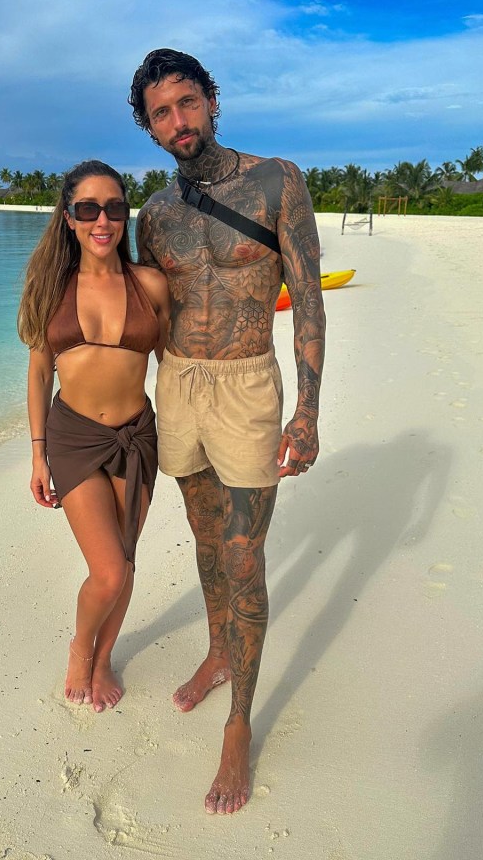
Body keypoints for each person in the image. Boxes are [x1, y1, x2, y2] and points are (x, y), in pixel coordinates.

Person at [128, 49, 326, 814]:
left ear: (213, 100)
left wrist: (307, 408)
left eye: (187, 102)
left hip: (247, 385)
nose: (178, 120)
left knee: (245, 557)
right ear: (149, 129)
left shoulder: (278, 180)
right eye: (161, 113)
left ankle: (239, 724)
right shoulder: (154, 213)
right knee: (207, 539)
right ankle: (217, 655)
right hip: (178, 384)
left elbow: (307, 297)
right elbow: (144, 314)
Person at [18, 160, 169, 713]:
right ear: (70, 218)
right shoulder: (49, 287)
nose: (102, 219)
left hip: (137, 436)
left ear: (124, 215)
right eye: (88, 209)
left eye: (113, 208)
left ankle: (105, 659)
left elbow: (172, 363)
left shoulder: (149, 284)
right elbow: (39, 373)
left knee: (124, 562)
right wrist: (37, 454)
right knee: (106, 571)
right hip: (74, 437)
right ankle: (81, 648)